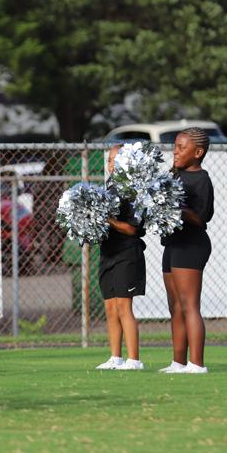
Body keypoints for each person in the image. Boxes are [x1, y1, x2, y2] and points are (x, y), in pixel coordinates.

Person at [159, 128, 214, 375]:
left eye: (182, 147)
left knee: (189, 305)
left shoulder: (201, 179)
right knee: (175, 307)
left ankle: (197, 364)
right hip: (173, 244)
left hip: (191, 245)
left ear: (198, 152)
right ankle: (178, 362)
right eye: (175, 146)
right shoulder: (173, 176)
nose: (176, 151)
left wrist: (177, 206)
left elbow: (202, 218)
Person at [95, 144, 146, 371]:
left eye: (117, 160)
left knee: (124, 307)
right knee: (110, 308)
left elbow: (133, 229)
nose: (112, 164)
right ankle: (115, 357)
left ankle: (134, 360)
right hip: (108, 253)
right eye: (109, 160)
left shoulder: (133, 190)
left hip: (127, 253)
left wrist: (108, 220)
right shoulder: (108, 188)